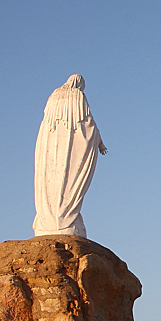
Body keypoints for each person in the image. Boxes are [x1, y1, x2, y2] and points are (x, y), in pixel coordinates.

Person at [33, 74, 106, 238]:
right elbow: (86, 121)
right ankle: (64, 220)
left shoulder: (53, 96)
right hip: (72, 141)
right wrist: (99, 142)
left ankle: (48, 221)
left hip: (50, 143)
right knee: (69, 177)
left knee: (51, 178)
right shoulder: (77, 96)